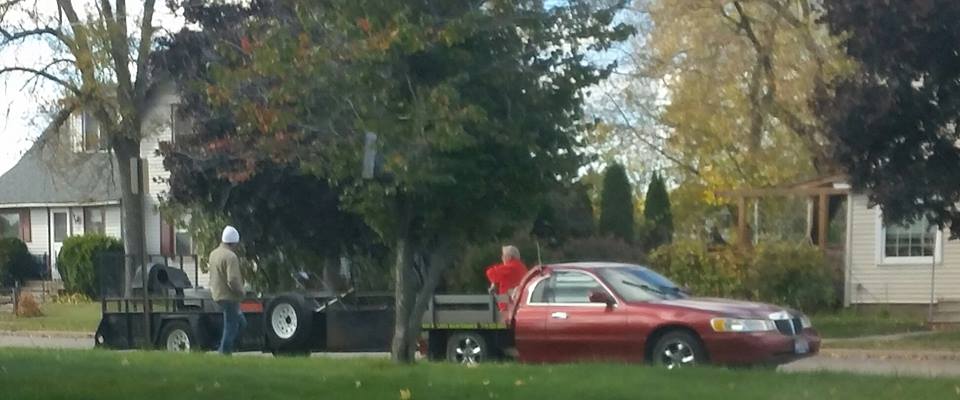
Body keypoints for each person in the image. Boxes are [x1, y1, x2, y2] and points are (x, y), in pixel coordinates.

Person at [209, 225, 246, 355]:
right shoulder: (231, 257)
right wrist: (241, 291)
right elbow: (233, 280)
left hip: (217, 294)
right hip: (229, 296)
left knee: (241, 323)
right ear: (234, 242)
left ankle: (224, 347)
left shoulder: (213, 254)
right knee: (231, 326)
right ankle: (224, 353)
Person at [485, 245, 528, 311]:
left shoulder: (510, 267)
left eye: (503, 255)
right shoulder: (522, 267)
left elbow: (490, 272)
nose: (502, 257)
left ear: (509, 257)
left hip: (508, 306)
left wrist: (493, 282)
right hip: (519, 304)